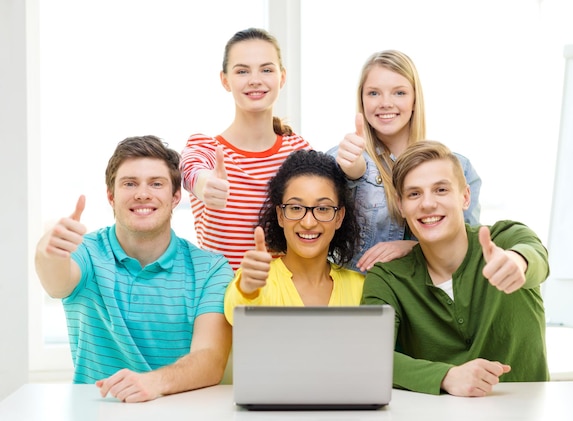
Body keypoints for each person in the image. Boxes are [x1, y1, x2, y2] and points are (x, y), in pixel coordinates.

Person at [34, 135, 234, 403]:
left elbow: (210, 360)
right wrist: (49, 250)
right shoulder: (87, 252)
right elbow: (56, 283)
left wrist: (152, 383)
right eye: (129, 183)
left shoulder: (211, 269)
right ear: (110, 196)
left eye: (156, 183)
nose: (142, 193)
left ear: (176, 196)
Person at [361, 140, 550, 397]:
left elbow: (535, 256)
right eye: (414, 194)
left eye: (440, 190)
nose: (427, 204)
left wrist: (517, 262)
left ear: (465, 197)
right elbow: (369, 357)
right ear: (401, 205)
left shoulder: (505, 238)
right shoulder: (387, 278)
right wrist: (445, 376)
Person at [328, 50, 482, 272]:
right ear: (361, 99)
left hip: (428, 301)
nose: (385, 103)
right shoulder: (342, 158)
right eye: (373, 93)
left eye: (399, 93)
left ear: (414, 100)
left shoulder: (459, 167)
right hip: (361, 299)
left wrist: (413, 248)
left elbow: (468, 249)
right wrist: (350, 176)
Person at [180, 27, 311, 271]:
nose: (255, 79)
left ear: (282, 77)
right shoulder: (207, 147)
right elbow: (190, 169)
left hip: (281, 301)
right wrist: (206, 185)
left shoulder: (299, 152)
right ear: (225, 80)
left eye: (266, 69)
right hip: (219, 300)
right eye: (242, 71)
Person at [223, 149, 363, 324]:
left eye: (323, 209)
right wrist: (248, 289)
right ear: (280, 215)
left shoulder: (360, 286)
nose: (308, 222)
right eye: (296, 208)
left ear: (339, 217)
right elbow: (236, 312)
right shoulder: (256, 280)